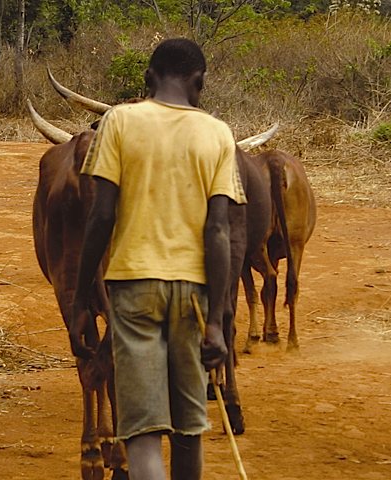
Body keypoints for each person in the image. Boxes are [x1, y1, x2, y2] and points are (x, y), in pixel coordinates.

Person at [70, 38, 245, 480]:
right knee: (189, 431)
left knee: (144, 434)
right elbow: (219, 230)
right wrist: (217, 321)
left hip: (132, 291)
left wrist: (80, 297)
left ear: (148, 78)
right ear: (200, 83)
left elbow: (101, 216)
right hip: (192, 295)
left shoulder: (118, 121)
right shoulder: (217, 133)